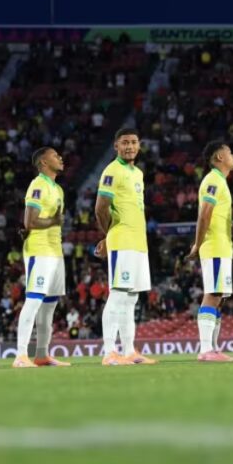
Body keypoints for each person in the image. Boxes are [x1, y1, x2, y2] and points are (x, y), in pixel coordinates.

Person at [95, 128, 156, 366]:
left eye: (133, 142)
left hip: (139, 242)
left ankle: (129, 350)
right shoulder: (112, 170)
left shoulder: (137, 173)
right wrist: (109, 234)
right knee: (118, 294)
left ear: (139, 145)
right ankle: (110, 352)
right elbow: (101, 207)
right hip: (122, 240)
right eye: (125, 143)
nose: (129, 146)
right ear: (116, 146)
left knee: (131, 298)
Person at [14, 147, 71, 368]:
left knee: (49, 306)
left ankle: (42, 355)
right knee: (34, 300)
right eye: (55, 155)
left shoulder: (57, 189)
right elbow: (30, 221)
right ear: (43, 163)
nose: (60, 157)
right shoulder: (37, 185)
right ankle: (20, 355)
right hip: (39, 250)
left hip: (55, 251)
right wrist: (54, 222)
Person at [188, 141, 233, 362]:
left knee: (220, 298)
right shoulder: (212, 180)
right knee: (213, 294)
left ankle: (214, 348)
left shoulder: (220, 181)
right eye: (229, 152)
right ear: (219, 157)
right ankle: (206, 349)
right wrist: (198, 244)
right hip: (214, 246)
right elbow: (205, 213)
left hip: (222, 247)